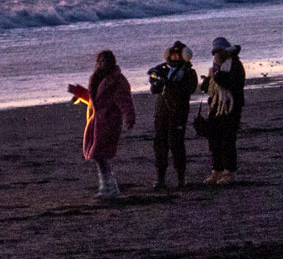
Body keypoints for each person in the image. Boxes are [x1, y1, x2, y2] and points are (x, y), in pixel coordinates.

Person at [67, 49, 135, 200]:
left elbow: (124, 99)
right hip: (97, 120)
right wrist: (79, 93)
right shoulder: (97, 78)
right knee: (98, 155)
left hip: (109, 120)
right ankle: (107, 186)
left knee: (100, 154)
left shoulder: (117, 80)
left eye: (106, 61)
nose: (103, 64)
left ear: (112, 62)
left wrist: (129, 116)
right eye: (101, 61)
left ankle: (109, 187)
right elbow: (94, 100)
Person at [145, 41, 200, 190]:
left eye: (178, 54)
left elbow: (188, 89)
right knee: (160, 143)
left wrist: (169, 85)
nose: (175, 57)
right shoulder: (162, 70)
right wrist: (157, 81)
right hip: (161, 110)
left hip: (178, 111)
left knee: (176, 143)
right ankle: (160, 178)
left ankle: (181, 178)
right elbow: (154, 89)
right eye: (173, 54)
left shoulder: (189, 72)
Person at [199, 37, 247, 183]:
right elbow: (208, 89)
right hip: (215, 108)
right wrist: (208, 81)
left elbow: (235, 84)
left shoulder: (236, 65)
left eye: (220, 51)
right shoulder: (215, 68)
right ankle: (217, 171)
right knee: (214, 141)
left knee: (228, 140)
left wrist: (217, 76)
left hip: (230, 108)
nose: (217, 55)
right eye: (215, 52)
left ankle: (229, 172)